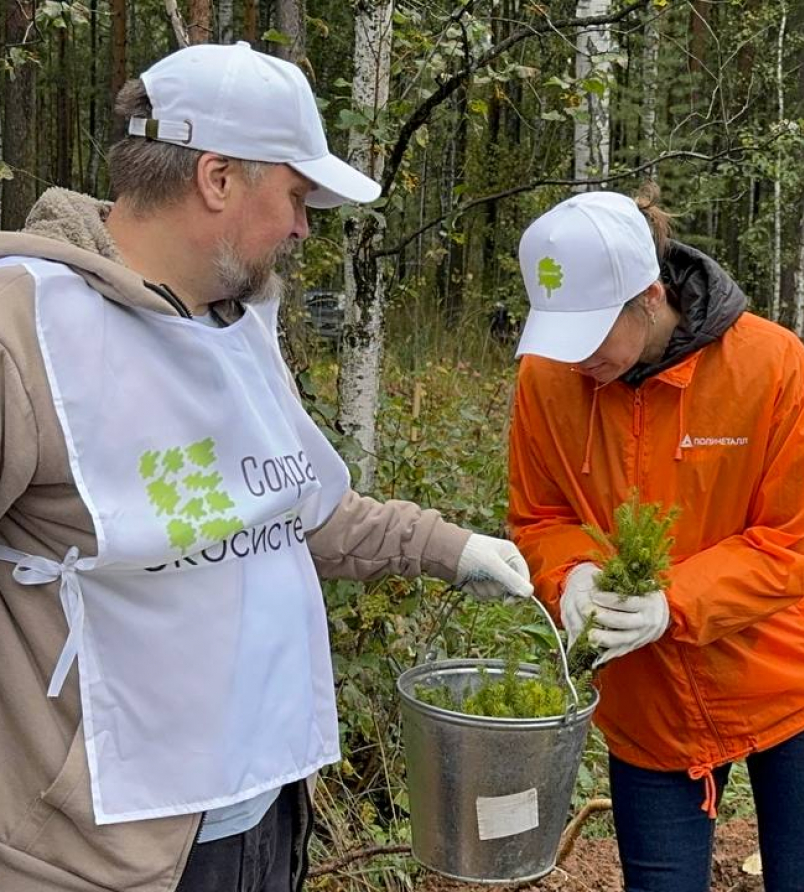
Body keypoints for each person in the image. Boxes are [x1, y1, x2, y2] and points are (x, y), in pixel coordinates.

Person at [0, 42, 533, 892]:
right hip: (106, 851)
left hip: (263, 801)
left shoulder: (236, 325)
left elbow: (292, 507)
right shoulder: (26, 327)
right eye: (294, 194)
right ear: (217, 178)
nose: (302, 226)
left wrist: (449, 548)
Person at [507, 188, 804, 892]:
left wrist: (674, 600)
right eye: (559, 334)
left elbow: (802, 536)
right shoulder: (548, 376)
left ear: (648, 295)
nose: (575, 359)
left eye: (589, 334)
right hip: (652, 704)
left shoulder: (769, 366)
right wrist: (570, 575)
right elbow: (541, 516)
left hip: (795, 676)